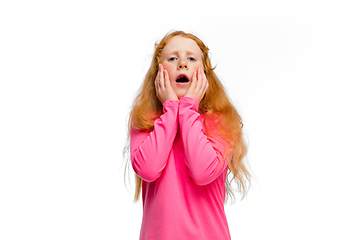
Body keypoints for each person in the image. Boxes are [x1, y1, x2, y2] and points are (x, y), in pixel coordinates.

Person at [123, 30, 251, 240]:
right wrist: (171, 108)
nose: (182, 63)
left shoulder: (221, 120)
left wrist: (188, 108)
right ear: (159, 71)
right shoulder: (145, 120)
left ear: (204, 73)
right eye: (173, 58)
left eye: (191, 58)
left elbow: (203, 172)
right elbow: (148, 169)